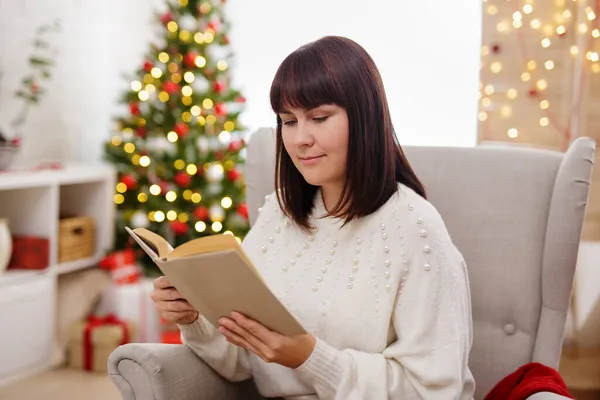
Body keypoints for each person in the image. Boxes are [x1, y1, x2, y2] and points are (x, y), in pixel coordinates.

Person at [151, 35, 476, 400]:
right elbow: (243, 362)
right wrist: (195, 318)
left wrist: (309, 358)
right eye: (288, 121)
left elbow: (434, 390)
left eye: (319, 118)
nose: (300, 138)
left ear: (365, 118)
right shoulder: (279, 213)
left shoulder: (416, 229)